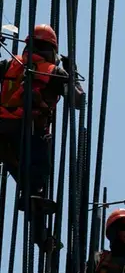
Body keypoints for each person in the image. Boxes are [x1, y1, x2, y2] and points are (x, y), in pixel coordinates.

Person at [0, 24, 84, 251]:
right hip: (30, 133)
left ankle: (43, 237)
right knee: (35, 188)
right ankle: (41, 236)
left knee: (29, 188)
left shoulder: (10, 63)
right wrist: (72, 75)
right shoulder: (52, 71)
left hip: (2, 133)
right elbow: (78, 101)